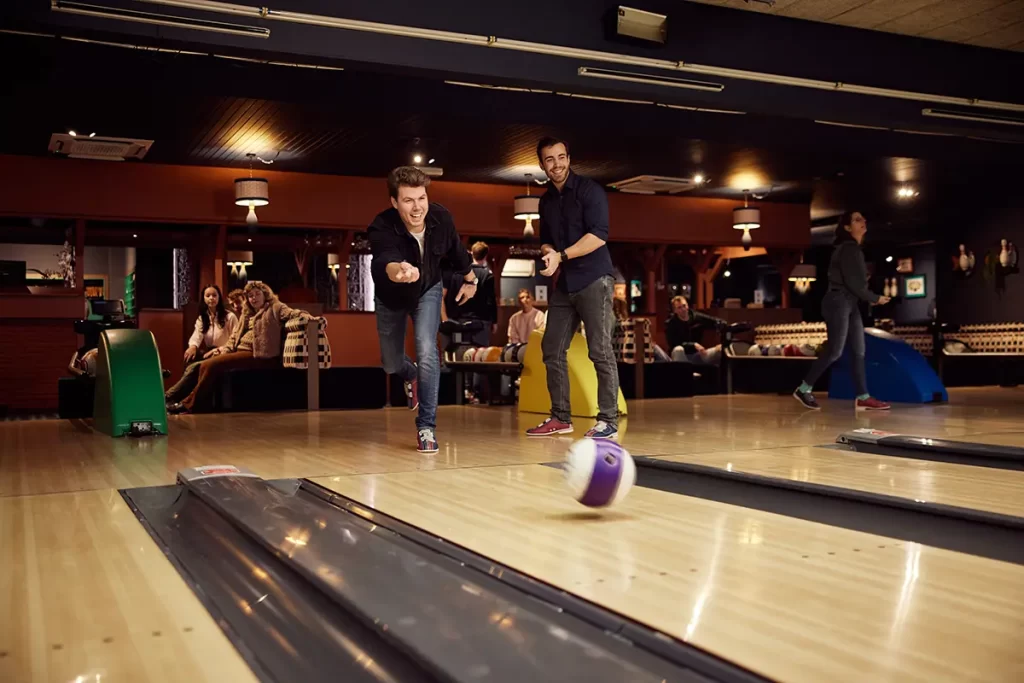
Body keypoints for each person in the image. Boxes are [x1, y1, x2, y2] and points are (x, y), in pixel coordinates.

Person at [369, 166, 478, 453]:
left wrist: (470, 278)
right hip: (391, 296)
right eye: (408, 200)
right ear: (394, 202)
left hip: (428, 289)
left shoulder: (440, 218)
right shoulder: (381, 225)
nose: (417, 207)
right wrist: (400, 271)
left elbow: (456, 249)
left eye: (421, 198)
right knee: (390, 363)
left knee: (427, 349)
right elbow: (384, 261)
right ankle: (410, 374)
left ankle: (426, 427)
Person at [525, 136, 619, 440]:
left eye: (561, 157)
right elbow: (546, 240)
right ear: (542, 164)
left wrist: (562, 255)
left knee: (600, 351)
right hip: (566, 284)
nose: (557, 164)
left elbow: (598, 236)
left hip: (595, 279)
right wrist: (550, 253)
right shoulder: (545, 200)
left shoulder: (590, 191)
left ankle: (608, 420)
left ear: (569, 158)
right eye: (549, 159)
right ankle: (561, 418)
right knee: (551, 348)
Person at [793, 210, 891, 411]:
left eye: (863, 218)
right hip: (838, 301)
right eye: (857, 220)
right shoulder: (849, 249)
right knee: (835, 350)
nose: (863, 221)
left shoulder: (854, 249)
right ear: (847, 227)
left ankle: (863, 396)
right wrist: (875, 298)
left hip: (849, 302)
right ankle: (804, 388)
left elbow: (855, 283)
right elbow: (854, 283)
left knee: (858, 350)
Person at [167, 281, 307, 414]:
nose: (253, 298)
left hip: (259, 353)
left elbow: (293, 313)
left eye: (257, 294)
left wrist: (310, 318)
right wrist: (224, 350)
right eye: (250, 296)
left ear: (265, 294)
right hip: (240, 350)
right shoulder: (247, 313)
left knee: (209, 365)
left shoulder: (275, 307)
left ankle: (188, 404)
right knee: (203, 364)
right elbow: (234, 337)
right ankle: (188, 402)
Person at [165, 284, 237, 405]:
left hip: (226, 352)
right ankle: (178, 400)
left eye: (214, 295)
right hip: (210, 353)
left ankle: (169, 397)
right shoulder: (202, 318)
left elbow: (235, 339)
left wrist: (219, 350)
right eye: (208, 295)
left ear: (219, 297)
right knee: (190, 362)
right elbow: (196, 336)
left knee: (194, 368)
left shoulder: (230, 317)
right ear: (203, 298)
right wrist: (193, 346)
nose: (211, 298)